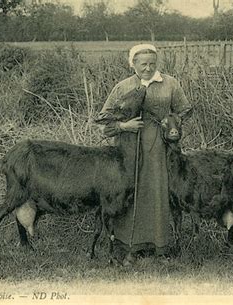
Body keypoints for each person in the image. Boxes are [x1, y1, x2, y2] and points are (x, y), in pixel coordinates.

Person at [96, 44, 192, 265]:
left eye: (152, 63)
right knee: (130, 193)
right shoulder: (123, 87)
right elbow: (103, 118)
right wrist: (124, 125)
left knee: (157, 191)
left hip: (159, 147)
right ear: (133, 64)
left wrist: (171, 125)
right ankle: (129, 246)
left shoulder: (170, 83)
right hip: (128, 148)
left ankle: (159, 246)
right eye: (142, 64)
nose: (148, 68)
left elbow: (184, 109)